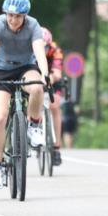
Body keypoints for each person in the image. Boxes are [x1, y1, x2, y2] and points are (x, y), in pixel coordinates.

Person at [0, 0, 50, 189]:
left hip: (25, 68)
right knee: (0, 117)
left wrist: (45, 73)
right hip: (1, 70)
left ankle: (34, 125)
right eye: (10, 15)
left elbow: (39, 52)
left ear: (25, 16)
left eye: (18, 16)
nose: (13, 19)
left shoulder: (33, 25)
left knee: (37, 87)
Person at [41, 27, 64, 166]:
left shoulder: (56, 50)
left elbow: (57, 73)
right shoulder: (30, 49)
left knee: (54, 106)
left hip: (52, 80)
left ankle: (56, 147)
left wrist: (49, 78)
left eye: (45, 47)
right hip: (35, 78)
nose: (42, 50)